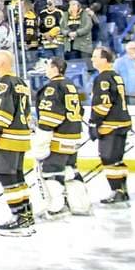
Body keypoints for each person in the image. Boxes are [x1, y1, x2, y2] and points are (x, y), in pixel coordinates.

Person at [0, 50, 35, 236]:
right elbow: (27, 112)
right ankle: (26, 214)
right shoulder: (21, 83)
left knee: (7, 177)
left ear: (3, 62)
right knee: (18, 177)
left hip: (8, 138)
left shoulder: (3, 83)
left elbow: (2, 110)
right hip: (21, 136)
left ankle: (19, 217)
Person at [32, 57, 89, 218]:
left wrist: (41, 144)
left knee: (52, 172)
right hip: (73, 137)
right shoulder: (71, 85)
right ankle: (80, 205)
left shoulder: (52, 88)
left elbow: (50, 117)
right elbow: (80, 111)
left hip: (58, 138)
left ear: (55, 68)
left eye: (48, 66)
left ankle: (57, 208)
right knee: (70, 170)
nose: (46, 69)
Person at [89, 47, 132, 208]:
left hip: (110, 125)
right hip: (122, 122)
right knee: (118, 159)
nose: (92, 59)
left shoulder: (103, 78)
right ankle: (122, 190)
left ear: (104, 59)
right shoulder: (116, 76)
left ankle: (117, 191)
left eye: (95, 56)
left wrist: (94, 122)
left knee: (109, 159)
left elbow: (103, 104)